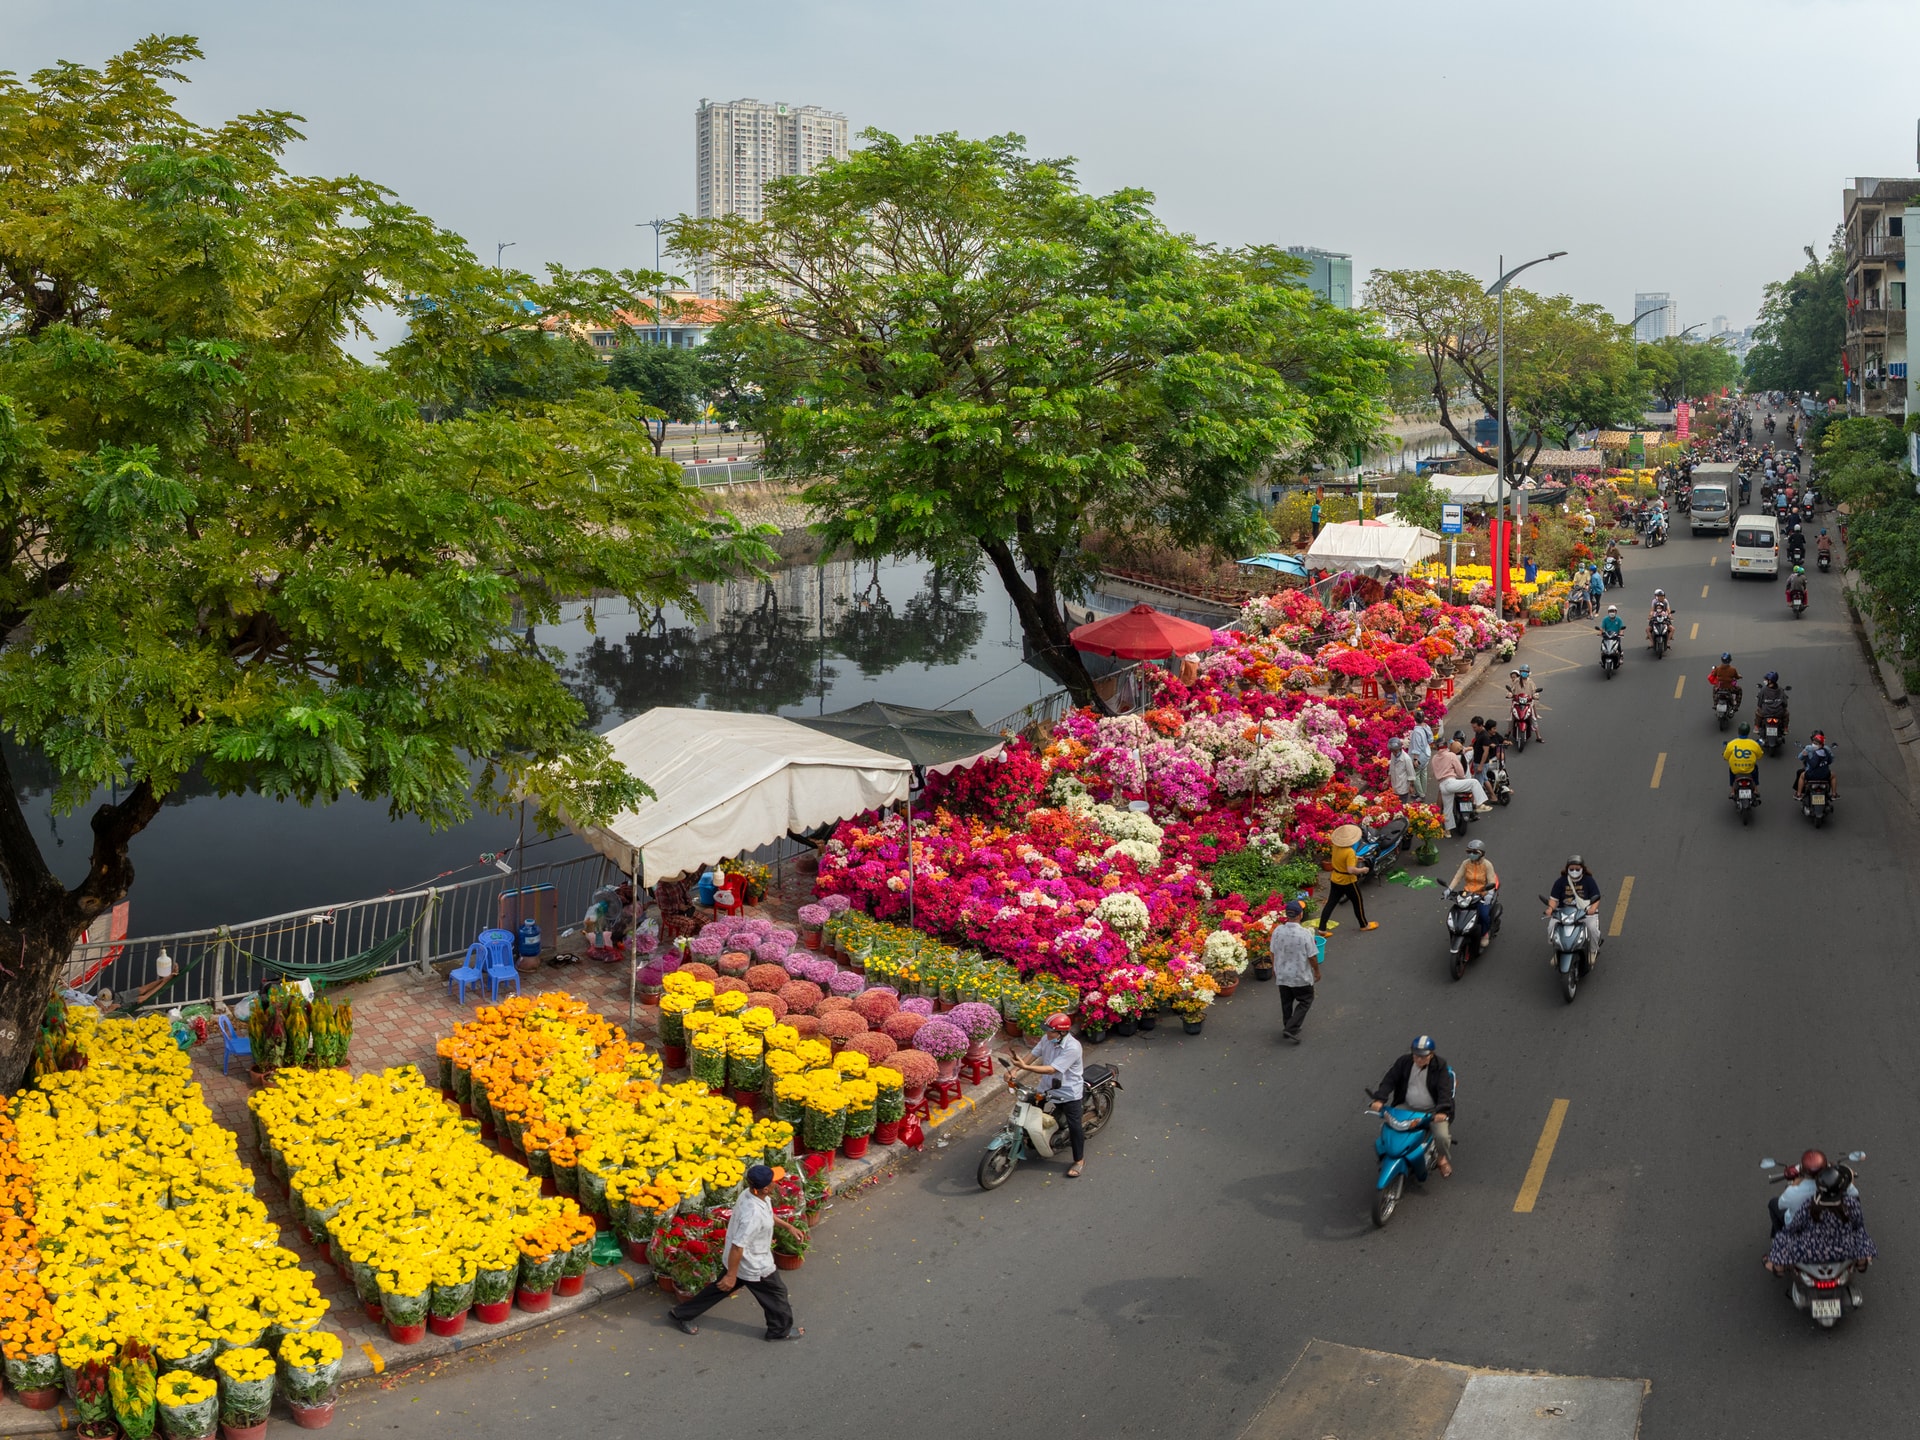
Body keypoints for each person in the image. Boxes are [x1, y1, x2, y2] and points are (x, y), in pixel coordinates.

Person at [668, 1163, 806, 1340]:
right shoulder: (752, 1215)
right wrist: (731, 1275)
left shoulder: (752, 1194)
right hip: (754, 1264)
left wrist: (788, 1227)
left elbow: (768, 1215)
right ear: (766, 1188)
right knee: (777, 1294)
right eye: (774, 1181)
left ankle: (680, 1314)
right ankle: (779, 1331)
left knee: (718, 1289)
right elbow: (738, 1246)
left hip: (740, 1261)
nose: (777, 1183)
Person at [1010, 1013, 1088, 1177]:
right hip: (1047, 1087)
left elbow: (1052, 1069)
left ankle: (1079, 1160)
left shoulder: (1073, 1048)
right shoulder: (1047, 1039)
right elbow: (1033, 1054)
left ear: (1062, 1033)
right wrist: (1015, 1070)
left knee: (1075, 1127)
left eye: (1050, 1031)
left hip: (1068, 1092)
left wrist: (1025, 1068)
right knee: (1031, 1109)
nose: (1047, 1033)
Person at [1368, 1036, 1455, 1179]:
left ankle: (1442, 1159)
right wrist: (1380, 1099)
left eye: (1423, 1056)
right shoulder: (1404, 1062)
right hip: (1407, 1105)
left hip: (1432, 1111)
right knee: (1389, 1126)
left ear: (1431, 1055)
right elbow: (1390, 1079)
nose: (1419, 1059)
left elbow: (1444, 1091)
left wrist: (1442, 1111)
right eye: (1416, 1055)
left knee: (1442, 1136)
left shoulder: (1440, 1066)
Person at [1766, 1165, 1876, 1276]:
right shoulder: (1851, 1204)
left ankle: (1778, 1267)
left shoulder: (1809, 1205)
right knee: (1860, 1231)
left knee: (1783, 1235)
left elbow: (1793, 1227)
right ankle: (1861, 1262)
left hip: (1810, 1251)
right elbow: (1858, 1224)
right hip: (1844, 1249)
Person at [1269, 899, 1321, 1042]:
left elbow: (1272, 951)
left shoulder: (1278, 931)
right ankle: (1291, 1028)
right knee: (1306, 1000)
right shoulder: (1305, 934)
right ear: (1300, 915)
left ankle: (1288, 1025)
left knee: (1286, 1002)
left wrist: (1274, 967)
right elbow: (1312, 956)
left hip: (1282, 975)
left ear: (1287, 915)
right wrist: (1316, 971)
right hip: (1300, 976)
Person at [1318, 824, 1378, 934]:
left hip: (1335, 878)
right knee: (1357, 902)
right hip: (1348, 881)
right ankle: (1364, 924)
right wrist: (1363, 870)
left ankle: (1322, 928)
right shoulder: (1350, 851)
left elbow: (1341, 858)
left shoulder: (1336, 847)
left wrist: (1356, 858)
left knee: (1331, 903)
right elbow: (1351, 870)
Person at [1545, 855, 1603, 962]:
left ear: (1582, 869)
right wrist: (1550, 908)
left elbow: (1596, 898)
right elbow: (1553, 899)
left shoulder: (1589, 881)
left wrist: (1592, 909)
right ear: (1567, 869)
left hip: (1584, 912)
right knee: (1551, 927)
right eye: (1571, 869)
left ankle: (1593, 951)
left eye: (1577, 869)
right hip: (1564, 913)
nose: (1574, 871)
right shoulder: (1560, 882)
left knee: (1592, 929)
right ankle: (1557, 951)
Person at [1428, 740, 1492, 835]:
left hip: (1442, 785)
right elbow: (1460, 772)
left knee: (1448, 808)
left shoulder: (1434, 758)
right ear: (1446, 746)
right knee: (1474, 782)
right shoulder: (1451, 755)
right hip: (1451, 782)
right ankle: (1479, 805)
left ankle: (1447, 831)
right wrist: (1461, 777)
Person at [1447, 838, 1499, 942]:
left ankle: (1484, 934)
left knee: (1484, 916)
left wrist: (1489, 894)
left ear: (1482, 853)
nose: (1471, 854)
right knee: (1455, 914)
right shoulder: (1465, 863)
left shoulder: (1487, 865)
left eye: (1475, 852)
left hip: (1481, 895)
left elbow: (1491, 881)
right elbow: (1457, 877)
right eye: (1469, 852)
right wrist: (1449, 889)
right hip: (1467, 894)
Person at [1724, 721, 1763, 801]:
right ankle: (1755, 789)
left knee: (1731, 771)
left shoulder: (1731, 744)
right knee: (1755, 768)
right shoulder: (1754, 744)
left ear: (1738, 732)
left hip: (1736, 770)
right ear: (1748, 732)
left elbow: (1725, 757)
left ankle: (1732, 791)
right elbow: (1760, 756)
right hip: (1750, 770)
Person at [1794, 729, 1836, 801]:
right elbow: (1830, 760)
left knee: (1801, 775)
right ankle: (1834, 794)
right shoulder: (1826, 749)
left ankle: (1798, 794)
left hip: (1812, 774)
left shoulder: (1809, 748)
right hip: (1825, 774)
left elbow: (1811, 763)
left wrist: (1806, 757)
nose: (1814, 744)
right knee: (1833, 775)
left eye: (1816, 742)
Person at [1506, 665, 1543, 742]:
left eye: (1526, 672)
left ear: (1528, 673)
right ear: (1520, 672)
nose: (1524, 673)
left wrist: (1535, 695)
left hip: (1528, 703)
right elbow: (1511, 690)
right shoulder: (1516, 681)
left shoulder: (1531, 682)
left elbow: (1535, 691)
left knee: (1533, 719)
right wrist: (1509, 694)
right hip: (1517, 702)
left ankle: (1538, 736)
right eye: (1523, 672)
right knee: (1511, 718)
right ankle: (1508, 732)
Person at [1406, 717, 1434, 801]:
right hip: (1427, 753)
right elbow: (1431, 740)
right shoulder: (1426, 727)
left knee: (1416, 774)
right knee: (1423, 773)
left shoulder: (1416, 732)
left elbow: (1416, 746)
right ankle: (1422, 792)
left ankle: (1421, 795)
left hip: (1420, 756)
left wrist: (1415, 759)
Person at [1755, 671, 1789, 735]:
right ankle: (1785, 728)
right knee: (1786, 713)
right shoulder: (1780, 690)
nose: (1765, 681)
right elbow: (1785, 703)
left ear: (1770, 681)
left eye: (1766, 679)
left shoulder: (1763, 690)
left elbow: (1759, 703)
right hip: (1778, 713)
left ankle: (1756, 727)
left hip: (1766, 712)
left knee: (1757, 712)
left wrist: (1760, 706)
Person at [1387, 735, 1419, 801]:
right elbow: (1391, 768)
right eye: (1392, 751)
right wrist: (1387, 780)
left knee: (1402, 804)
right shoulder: (1393, 755)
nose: (1394, 753)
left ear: (1399, 748)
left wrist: (1411, 786)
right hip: (1395, 786)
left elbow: (1411, 774)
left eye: (1395, 751)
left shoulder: (1406, 759)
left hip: (1403, 787)